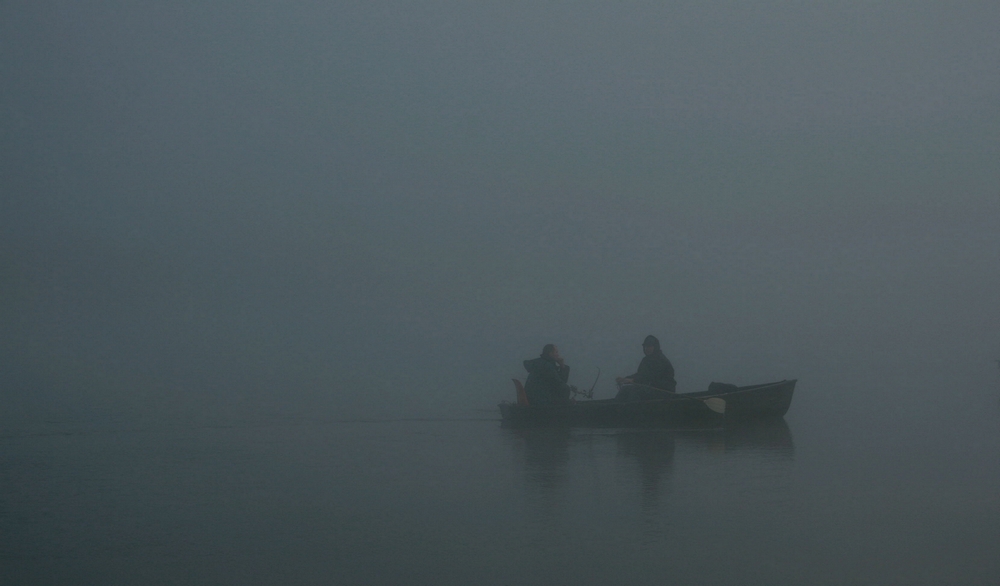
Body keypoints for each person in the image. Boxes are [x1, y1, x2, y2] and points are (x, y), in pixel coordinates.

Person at [615, 335, 676, 401]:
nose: (647, 349)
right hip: (651, 390)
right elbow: (640, 374)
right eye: (645, 347)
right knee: (625, 390)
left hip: (664, 392)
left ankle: (632, 410)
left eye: (649, 346)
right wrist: (626, 379)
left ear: (655, 347)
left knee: (634, 392)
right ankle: (615, 409)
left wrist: (633, 380)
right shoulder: (646, 360)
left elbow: (650, 377)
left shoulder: (661, 360)